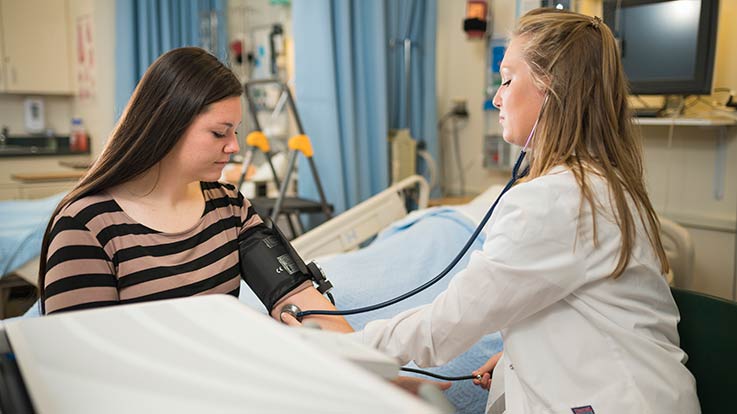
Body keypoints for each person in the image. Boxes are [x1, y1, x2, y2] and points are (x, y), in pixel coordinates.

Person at [287, 8, 700, 413]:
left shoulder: (556, 200)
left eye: (506, 80)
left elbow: (449, 322)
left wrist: (342, 348)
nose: (497, 97)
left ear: (552, 88)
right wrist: (514, 353)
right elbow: (582, 307)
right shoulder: (604, 182)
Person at [37, 47, 351, 332]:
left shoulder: (229, 206)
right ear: (167, 123)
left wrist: (372, 370)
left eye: (236, 132)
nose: (234, 146)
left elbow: (295, 295)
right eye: (219, 133)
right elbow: (80, 361)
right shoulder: (86, 226)